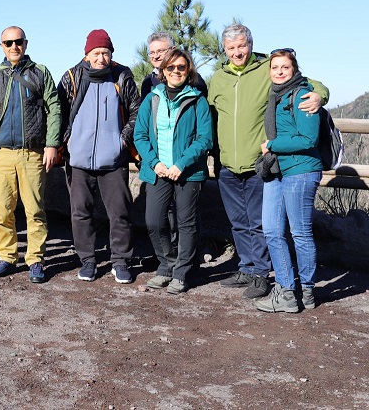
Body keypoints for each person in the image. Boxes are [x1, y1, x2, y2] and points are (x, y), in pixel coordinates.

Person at [208, 24, 328, 299]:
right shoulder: (218, 78)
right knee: (238, 221)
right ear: (224, 50)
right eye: (231, 48)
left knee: (261, 223)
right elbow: (211, 116)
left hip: (259, 162)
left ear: (250, 45)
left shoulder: (265, 69)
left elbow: (305, 82)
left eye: (241, 46)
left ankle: (262, 274)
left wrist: (320, 94)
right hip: (227, 163)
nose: (237, 52)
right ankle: (247, 267)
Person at [0, 26, 61, 284]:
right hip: (1, 155)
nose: (14, 47)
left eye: (18, 42)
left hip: (32, 153)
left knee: (35, 211)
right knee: (2, 211)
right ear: (1, 46)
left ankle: (35, 260)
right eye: (8, 43)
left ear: (25, 43)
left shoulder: (40, 72)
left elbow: (54, 109)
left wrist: (52, 144)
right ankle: (7, 257)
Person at [57, 29, 140, 284]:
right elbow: (57, 112)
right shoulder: (72, 76)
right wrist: (66, 140)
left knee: (120, 212)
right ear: (87, 54)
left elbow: (137, 112)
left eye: (105, 52)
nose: (101, 58)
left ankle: (120, 261)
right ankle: (88, 260)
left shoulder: (122, 75)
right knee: (80, 212)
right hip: (79, 159)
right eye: (96, 53)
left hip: (113, 160)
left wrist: (122, 140)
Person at [133, 48, 212, 294]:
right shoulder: (152, 98)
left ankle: (182, 273)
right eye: (171, 68)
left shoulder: (197, 100)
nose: (176, 71)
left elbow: (204, 139)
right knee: (154, 221)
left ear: (188, 70)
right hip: (158, 170)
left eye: (181, 67)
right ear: (162, 71)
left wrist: (181, 164)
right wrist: (155, 163)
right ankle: (166, 264)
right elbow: (140, 135)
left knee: (186, 224)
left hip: (187, 172)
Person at [254, 49, 322, 313]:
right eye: (275, 67)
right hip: (277, 170)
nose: (279, 71)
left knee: (300, 232)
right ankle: (285, 290)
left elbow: (308, 140)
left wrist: (271, 144)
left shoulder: (303, 95)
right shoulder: (275, 95)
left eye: (285, 66)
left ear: (294, 69)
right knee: (271, 229)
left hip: (301, 171)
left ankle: (307, 290)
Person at [140, 31, 207, 98]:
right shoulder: (148, 82)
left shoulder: (192, 78)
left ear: (173, 49)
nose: (156, 56)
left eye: (161, 51)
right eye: (152, 53)